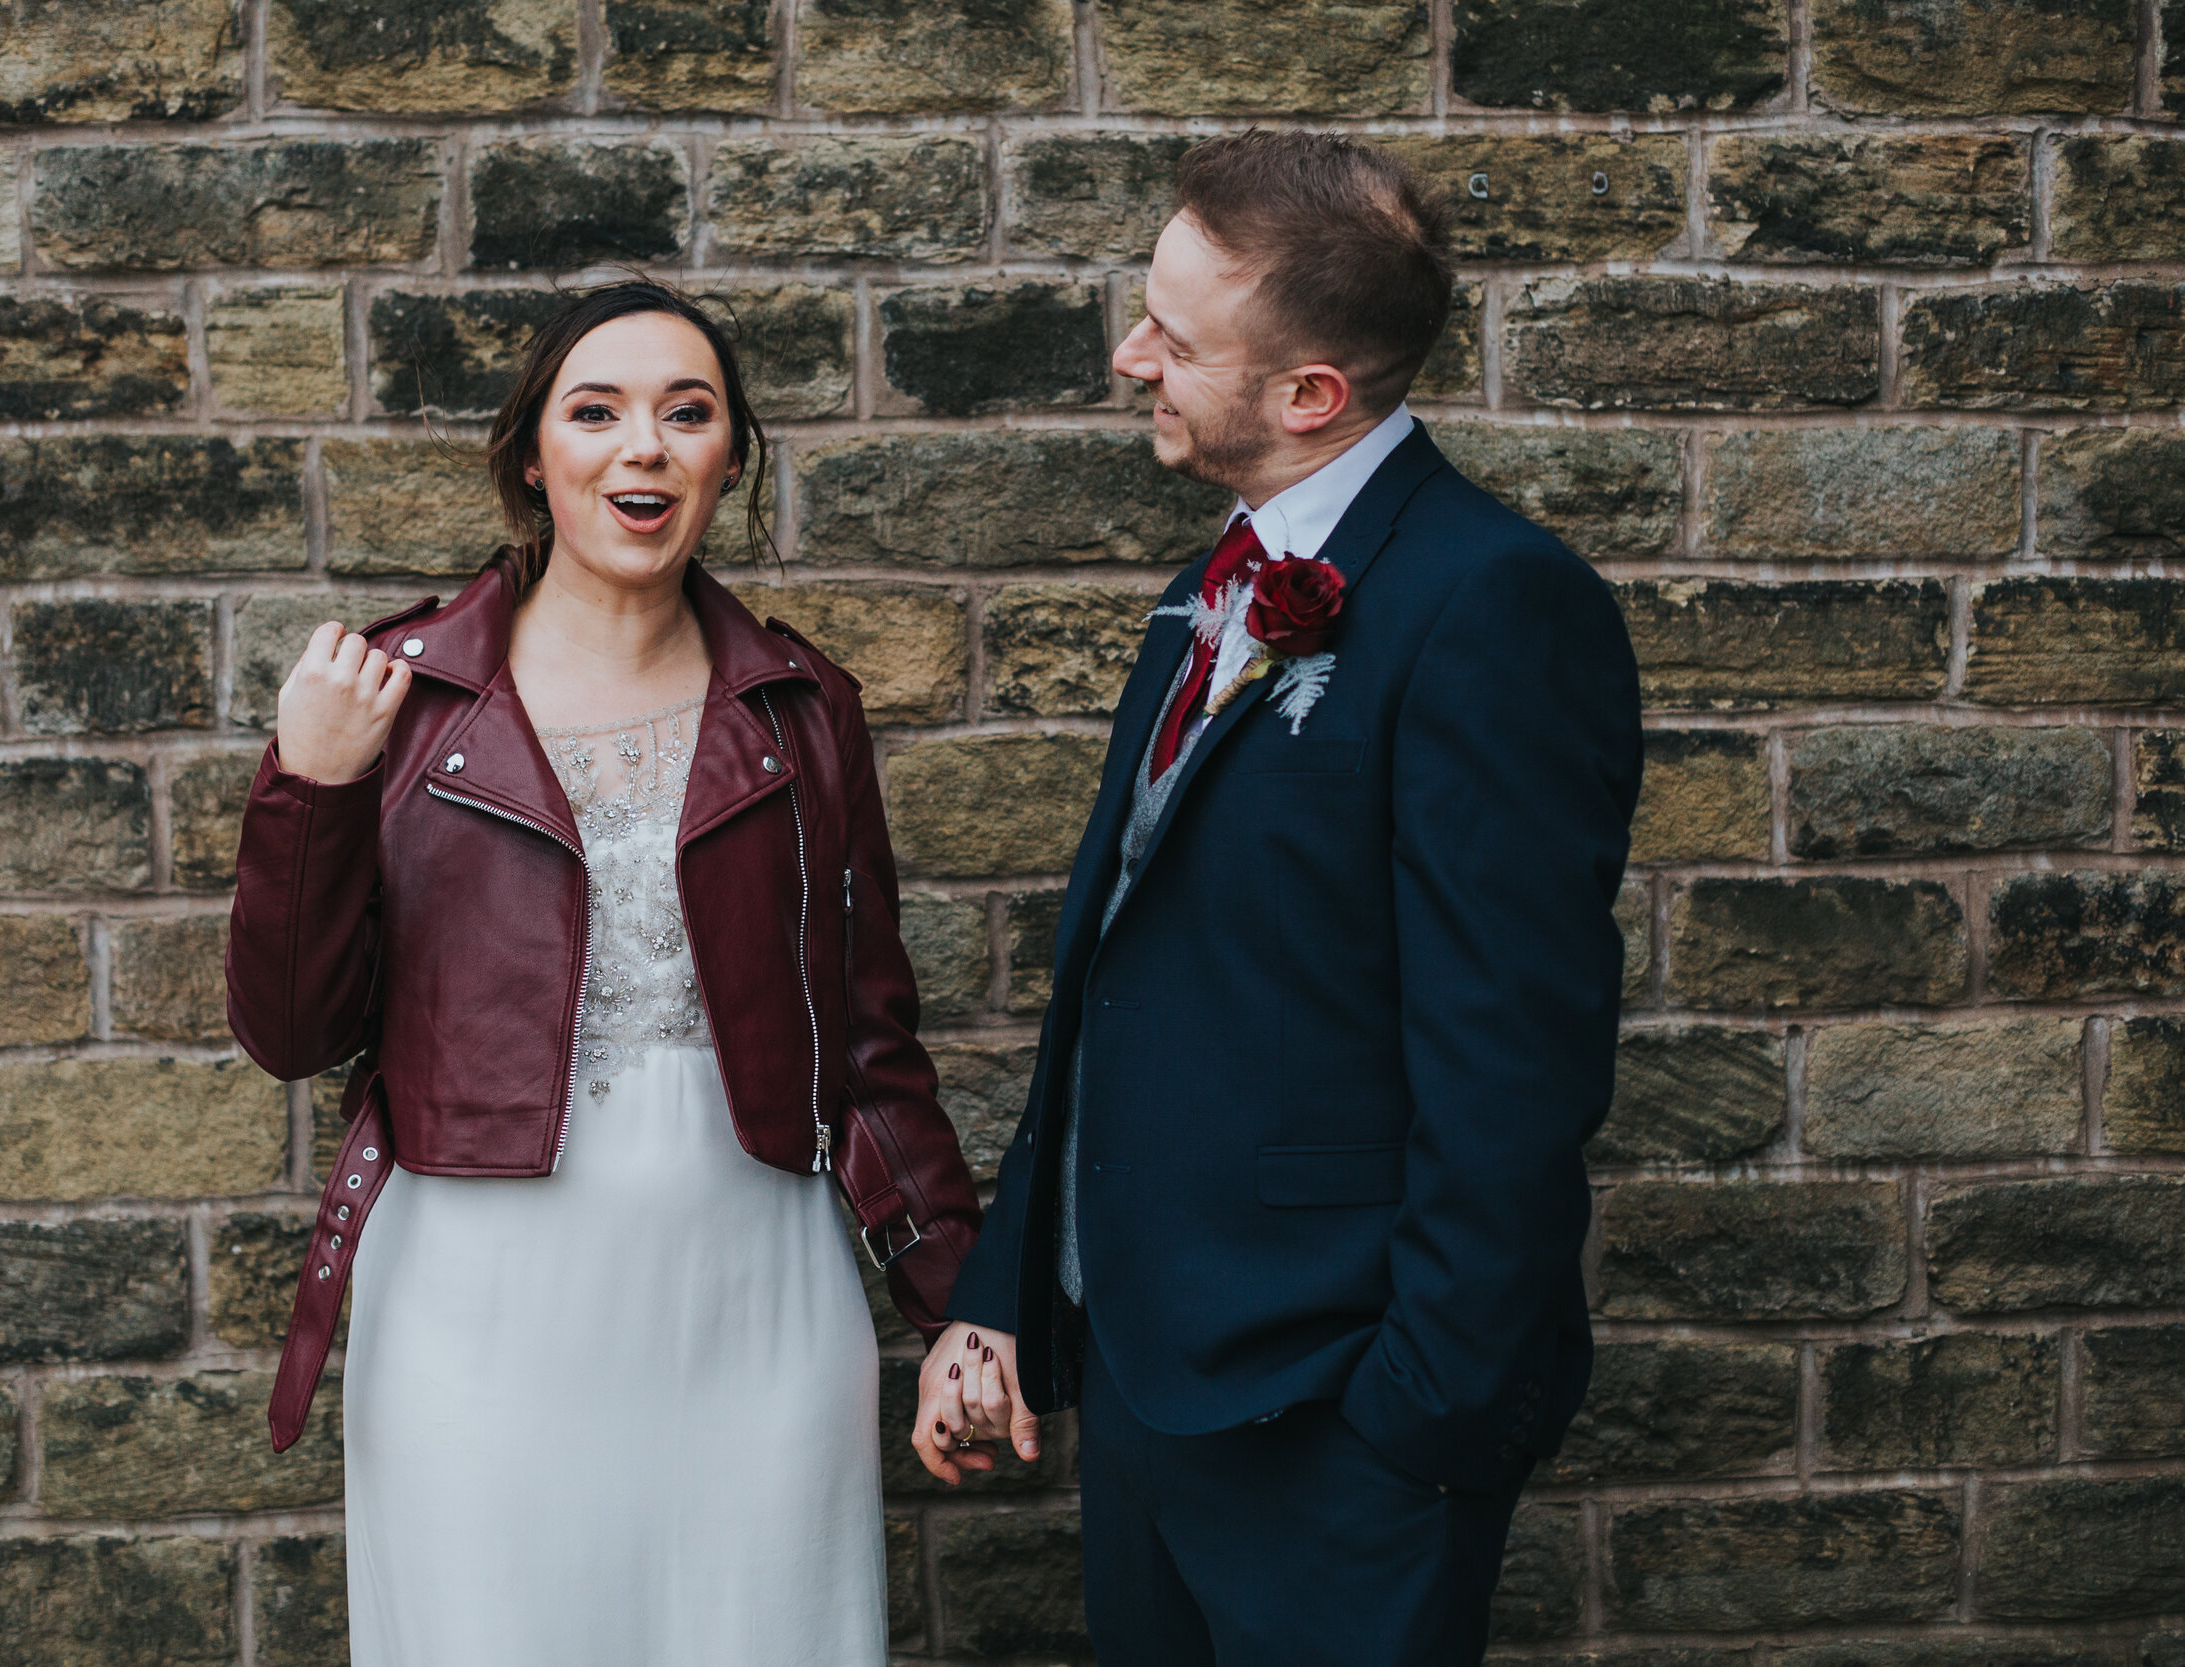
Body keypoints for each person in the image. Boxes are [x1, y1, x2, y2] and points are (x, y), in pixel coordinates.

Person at [914, 131, 1645, 1664]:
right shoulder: (1216, 585)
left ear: (1312, 392)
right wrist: (1011, 1291)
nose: (1131, 359)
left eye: (1175, 342)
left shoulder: (1492, 607)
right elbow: (1117, 967)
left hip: (1337, 1423)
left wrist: (1413, 1424)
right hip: (1146, 1384)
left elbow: (1513, 1065)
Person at [225, 279, 981, 1666]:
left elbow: (870, 1043)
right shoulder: (392, 698)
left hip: (755, 1298)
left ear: (729, 459)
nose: (644, 447)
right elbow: (292, 1033)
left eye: (687, 414)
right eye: (597, 412)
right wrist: (312, 790)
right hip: (478, 1308)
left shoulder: (806, 711)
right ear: (534, 453)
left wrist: (960, 1305)